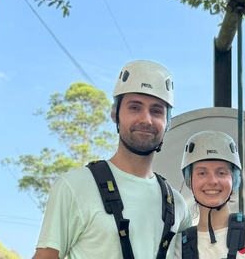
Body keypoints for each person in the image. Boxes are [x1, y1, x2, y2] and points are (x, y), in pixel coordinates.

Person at [33, 60, 192, 259]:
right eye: (135, 108)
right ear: (115, 114)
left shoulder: (177, 204)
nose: (146, 119)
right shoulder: (74, 187)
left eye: (156, 111)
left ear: (167, 122)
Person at [175, 130, 245, 259]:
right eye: (202, 173)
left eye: (221, 173)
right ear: (189, 180)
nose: (212, 181)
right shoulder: (179, 245)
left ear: (234, 179)